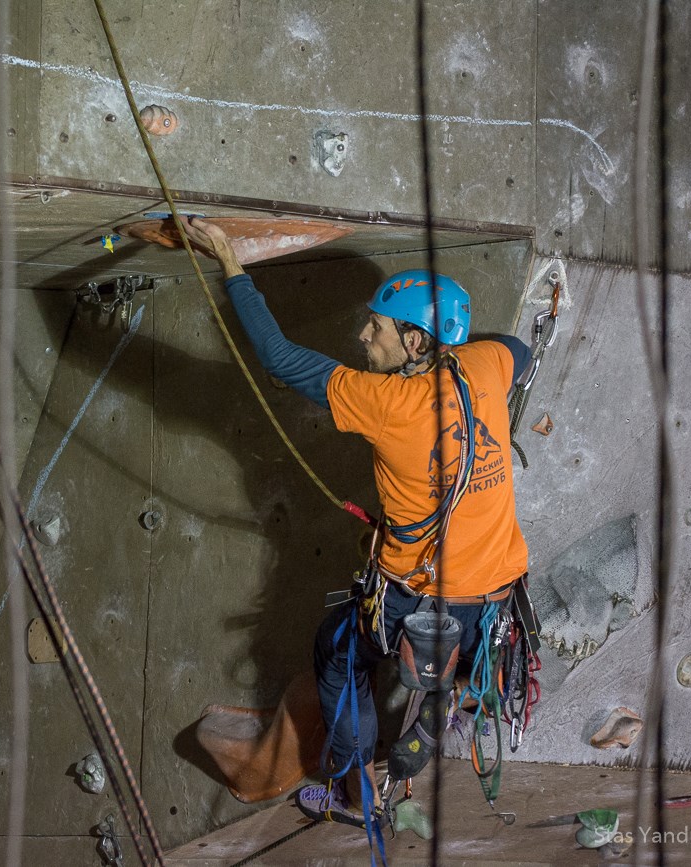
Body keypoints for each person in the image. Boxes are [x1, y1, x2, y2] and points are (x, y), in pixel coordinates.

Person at [178, 216, 532, 813]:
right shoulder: (488, 366)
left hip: (417, 596)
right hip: (497, 593)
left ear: (416, 342)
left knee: (338, 654)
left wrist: (227, 258)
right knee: (438, 648)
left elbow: (277, 355)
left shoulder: (383, 401)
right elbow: (518, 351)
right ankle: (458, 693)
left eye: (378, 327)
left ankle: (352, 788)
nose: (364, 335)